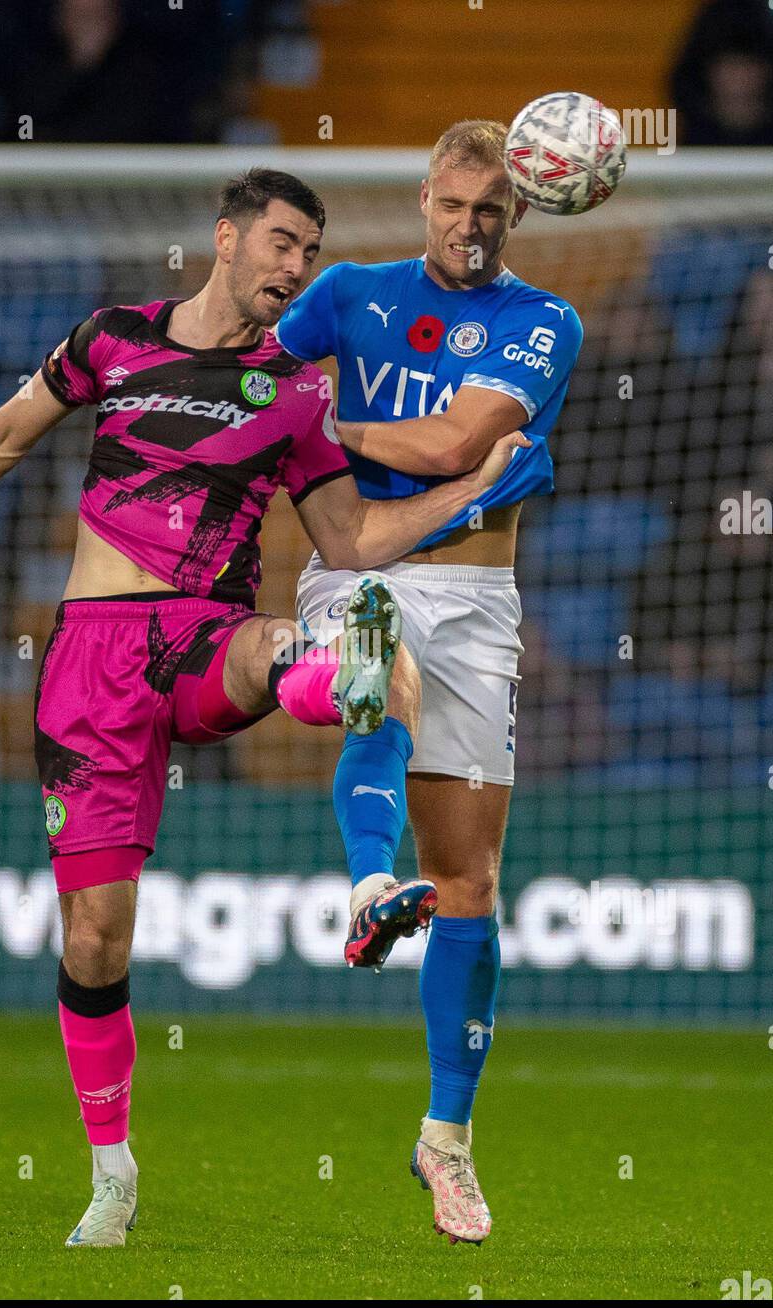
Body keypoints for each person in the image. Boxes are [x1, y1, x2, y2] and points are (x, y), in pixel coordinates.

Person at [0, 168, 522, 1249]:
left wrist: (469, 485)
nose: (294, 267)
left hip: (205, 637)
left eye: (308, 251)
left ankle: (343, 720)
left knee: (335, 636)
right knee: (93, 939)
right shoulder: (115, 339)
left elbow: (349, 542)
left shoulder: (298, 390)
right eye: (280, 243)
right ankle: (112, 1172)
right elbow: (8, 432)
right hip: (89, 660)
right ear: (225, 237)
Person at [275, 120, 584, 1245]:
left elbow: (459, 444)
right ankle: (365, 888)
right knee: (375, 660)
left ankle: (444, 1140)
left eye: (490, 210)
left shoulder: (546, 321)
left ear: (519, 213)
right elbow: (252, 370)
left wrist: (334, 424)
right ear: (423, 198)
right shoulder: (349, 291)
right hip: (364, 568)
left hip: (481, 602)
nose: (469, 226)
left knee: (471, 879)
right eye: (452, 205)